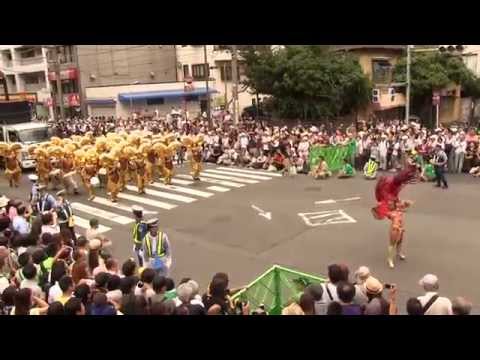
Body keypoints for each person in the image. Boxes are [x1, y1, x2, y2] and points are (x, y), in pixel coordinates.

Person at [386, 199, 413, 269]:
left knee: (400, 242)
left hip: (401, 229)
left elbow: (407, 204)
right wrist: (399, 228)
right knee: (392, 244)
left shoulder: (398, 209)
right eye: (389, 204)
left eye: (391, 204)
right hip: (395, 230)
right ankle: (390, 259)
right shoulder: (391, 213)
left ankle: (399, 253)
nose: (390, 205)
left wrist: (404, 202)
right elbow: (395, 224)